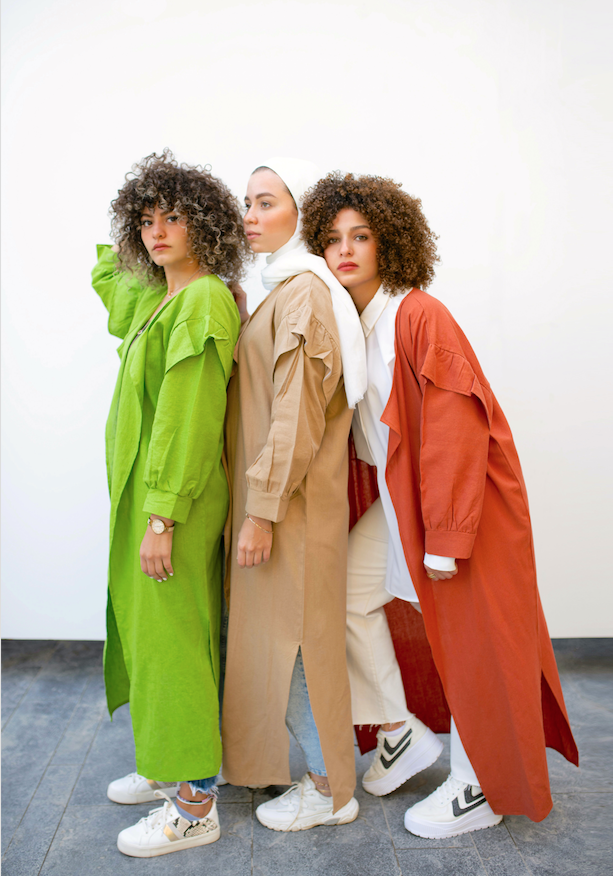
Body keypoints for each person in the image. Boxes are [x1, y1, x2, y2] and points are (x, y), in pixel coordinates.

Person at [301, 172, 579, 839]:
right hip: (408, 505)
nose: (346, 250)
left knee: (477, 642)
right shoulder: (355, 322)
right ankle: (397, 731)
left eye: (361, 236)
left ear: (389, 243)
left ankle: (478, 785)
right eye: (333, 239)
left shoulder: (418, 313)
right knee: (346, 597)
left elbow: (457, 424)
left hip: (462, 509)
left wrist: (449, 536)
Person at [91, 150, 246, 857]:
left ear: (206, 225)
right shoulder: (158, 297)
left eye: (174, 218)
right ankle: (166, 767)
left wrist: (164, 516)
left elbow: (190, 417)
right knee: (150, 635)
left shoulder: (204, 298)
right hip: (147, 501)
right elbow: (107, 279)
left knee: (176, 642)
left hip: (172, 504)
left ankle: (193, 803)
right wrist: (132, 237)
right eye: (146, 220)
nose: (158, 231)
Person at [221, 158, 367, 832]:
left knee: (301, 643)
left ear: (297, 214)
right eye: (246, 204)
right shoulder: (282, 289)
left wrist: (262, 510)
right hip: (284, 503)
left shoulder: (305, 291)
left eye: (266, 202)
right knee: (281, 638)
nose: (250, 216)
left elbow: (296, 413)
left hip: (294, 507)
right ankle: (310, 774)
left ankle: (332, 789)